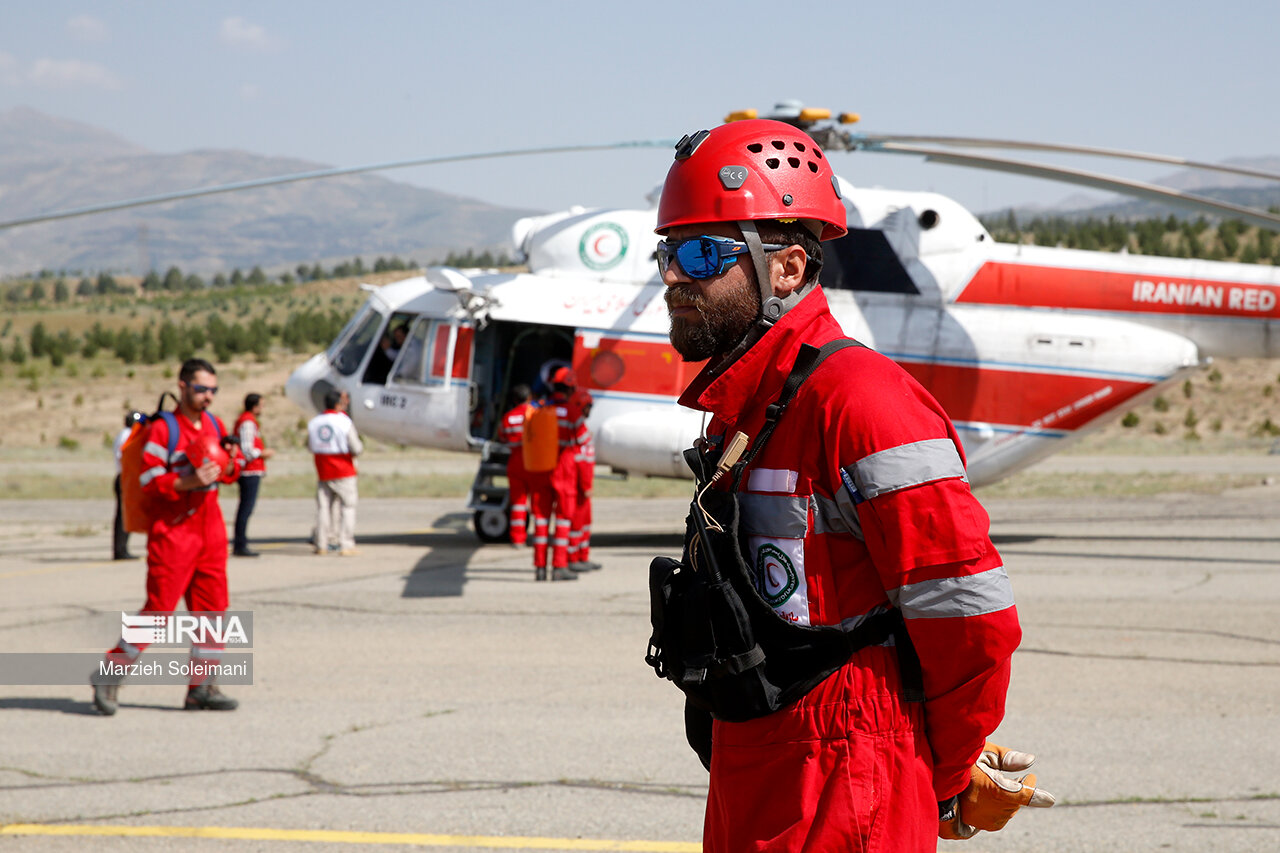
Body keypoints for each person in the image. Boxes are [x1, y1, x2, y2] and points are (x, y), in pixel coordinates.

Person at [651, 120, 1051, 849]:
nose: (675, 276)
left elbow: (971, 618)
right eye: (668, 253)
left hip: (844, 794)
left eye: (700, 253)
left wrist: (949, 768)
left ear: (788, 267)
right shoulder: (742, 417)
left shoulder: (862, 402)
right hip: (753, 782)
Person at [94, 358, 241, 715]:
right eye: (201, 389)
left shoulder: (214, 423)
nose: (208, 396)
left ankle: (201, 688)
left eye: (213, 390)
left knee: (213, 612)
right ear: (182, 386)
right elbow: (148, 481)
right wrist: (189, 481)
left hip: (210, 531)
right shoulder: (164, 429)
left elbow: (228, 473)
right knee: (158, 611)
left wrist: (232, 462)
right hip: (174, 532)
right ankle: (110, 675)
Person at [524, 364, 588, 581]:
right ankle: (559, 567)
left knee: (541, 520)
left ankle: (539, 568)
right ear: (570, 388)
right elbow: (582, 443)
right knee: (562, 520)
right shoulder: (572, 412)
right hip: (564, 471)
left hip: (541, 469)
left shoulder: (539, 408)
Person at [308, 389, 362, 556]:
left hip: (323, 469)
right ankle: (346, 543)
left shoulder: (314, 422)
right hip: (343, 468)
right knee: (348, 507)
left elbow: (310, 446)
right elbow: (356, 447)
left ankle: (322, 543)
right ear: (338, 404)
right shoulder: (344, 422)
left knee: (323, 508)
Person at [232, 393, 274, 557]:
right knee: (246, 508)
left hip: (251, 470)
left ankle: (240, 542)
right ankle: (240, 543)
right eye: (261, 405)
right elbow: (247, 449)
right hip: (249, 471)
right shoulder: (248, 422)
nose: (262, 409)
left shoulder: (248, 420)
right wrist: (263, 453)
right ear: (254, 406)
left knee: (246, 508)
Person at [566, 388, 599, 572]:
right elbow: (581, 461)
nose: (590, 410)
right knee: (577, 524)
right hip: (579, 486)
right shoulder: (577, 431)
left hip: (583, 485)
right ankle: (573, 558)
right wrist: (585, 486)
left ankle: (582, 556)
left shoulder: (581, 429)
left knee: (585, 523)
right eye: (588, 406)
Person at [498, 384, 533, 546]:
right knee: (538, 502)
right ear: (528, 398)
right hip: (532, 463)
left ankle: (517, 539)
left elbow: (502, 437)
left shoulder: (508, 417)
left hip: (515, 462)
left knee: (518, 503)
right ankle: (541, 538)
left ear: (514, 400)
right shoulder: (534, 414)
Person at [111, 410, 144, 560]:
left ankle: (121, 549)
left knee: (124, 514)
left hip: (124, 476)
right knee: (124, 515)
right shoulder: (127, 435)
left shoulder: (123, 434)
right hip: (126, 477)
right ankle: (120, 550)